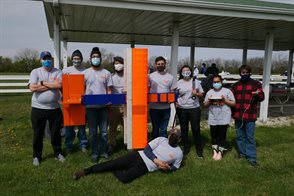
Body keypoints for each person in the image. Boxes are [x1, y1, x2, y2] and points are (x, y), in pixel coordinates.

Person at [73, 128, 183, 183]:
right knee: (110, 164)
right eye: (171, 134)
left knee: (125, 178)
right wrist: (157, 161)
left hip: (146, 167)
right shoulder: (161, 139)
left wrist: (168, 168)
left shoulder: (179, 153)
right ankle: (85, 171)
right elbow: (147, 149)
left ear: (179, 139)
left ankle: (116, 168)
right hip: (138, 156)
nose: (172, 137)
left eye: (175, 136)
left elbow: (176, 166)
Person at [28, 51, 65, 166]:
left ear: (52, 60)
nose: (47, 61)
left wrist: (42, 83)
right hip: (38, 108)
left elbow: (59, 86)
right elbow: (32, 88)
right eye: (45, 59)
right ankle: (36, 156)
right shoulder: (35, 71)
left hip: (54, 108)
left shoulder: (58, 72)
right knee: (38, 133)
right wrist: (51, 85)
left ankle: (58, 153)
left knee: (56, 133)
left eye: (49, 58)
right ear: (41, 60)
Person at [231, 65, 264, 167]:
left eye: (246, 72)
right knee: (240, 137)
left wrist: (258, 94)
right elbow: (230, 98)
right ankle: (242, 153)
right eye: (242, 72)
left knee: (249, 137)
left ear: (250, 73)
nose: (244, 74)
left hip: (250, 115)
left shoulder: (256, 84)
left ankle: (252, 157)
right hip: (238, 115)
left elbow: (262, 97)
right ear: (240, 73)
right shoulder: (235, 85)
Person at [84, 47, 113, 163]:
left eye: (97, 57)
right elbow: (81, 89)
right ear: (90, 58)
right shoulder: (85, 73)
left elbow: (109, 90)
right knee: (92, 133)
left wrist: (109, 101)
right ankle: (95, 153)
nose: (95, 59)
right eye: (93, 57)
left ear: (101, 58)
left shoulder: (106, 73)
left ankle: (104, 151)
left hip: (103, 108)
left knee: (104, 132)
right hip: (90, 108)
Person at [203, 75, 236, 160]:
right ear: (212, 83)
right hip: (213, 117)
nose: (216, 83)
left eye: (218, 82)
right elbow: (205, 105)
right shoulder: (209, 92)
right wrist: (209, 101)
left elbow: (233, 103)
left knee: (222, 135)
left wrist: (225, 100)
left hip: (224, 117)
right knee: (214, 135)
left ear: (221, 82)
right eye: (214, 82)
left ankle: (220, 152)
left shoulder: (227, 91)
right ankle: (215, 151)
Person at [62, 50, 88, 154]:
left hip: (81, 102)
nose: (76, 60)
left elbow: (87, 86)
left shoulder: (85, 71)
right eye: (74, 58)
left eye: (78, 58)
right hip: (69, 102)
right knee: (69, 126)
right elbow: (62, 85)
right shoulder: (66, 70)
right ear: (72, 59)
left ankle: (83, 144)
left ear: (81, 59)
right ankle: (69, 146)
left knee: (82, 125)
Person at [176, 65, 204, 157]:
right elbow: (175, 94)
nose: (186, 72)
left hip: (194, 108)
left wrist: (197, 93)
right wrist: (176, 102)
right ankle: (186, 148)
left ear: (191, 71)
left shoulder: (196, 82)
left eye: (188, 70)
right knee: (184, 129)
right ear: (181, 72)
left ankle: (199, 149)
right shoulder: (178, 82)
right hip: (182, 109)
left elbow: (202, 94)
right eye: (184, 71)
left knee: (196, 129)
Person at [148, 56, 177, 139]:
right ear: (155, 65)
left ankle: (163, 146)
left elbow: (172, 91)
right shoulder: (150, 76)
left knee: (163, 130)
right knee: (155, 129)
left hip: (166, 108)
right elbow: (147, 89)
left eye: (162, 64)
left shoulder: (170, 77)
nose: (160, 65)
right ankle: (155, 146)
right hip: (154, 107)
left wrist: (171, 99)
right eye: (158, 64)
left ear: (165, 65)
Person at [108, 56, 125, 154]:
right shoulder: (111, 77)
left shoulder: (128, 77)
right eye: (116, 63)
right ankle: (111, 144)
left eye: (119, 63)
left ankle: (127, 143)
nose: (118, 65)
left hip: (125, 106)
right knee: (112, 126)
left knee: (126, 126)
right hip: (114, 107)